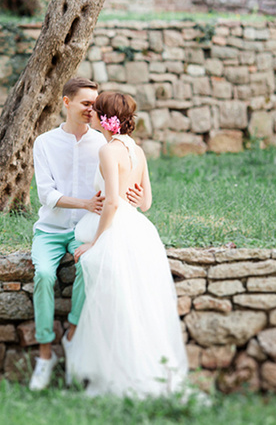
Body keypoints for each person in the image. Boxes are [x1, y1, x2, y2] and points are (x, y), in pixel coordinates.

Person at [67, 91, 189, 398]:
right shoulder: (137, 150)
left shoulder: (108, 152)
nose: (90, 114)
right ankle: (144, 369)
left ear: (105, 118)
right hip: (140, 229)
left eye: (95, 111)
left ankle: (119, 373)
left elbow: (109, 203)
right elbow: (146, 202)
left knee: (115, 305)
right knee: (138, 305)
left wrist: (94, 243)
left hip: (117, 230)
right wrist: (129, 198)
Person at [28, 77, 146, 391]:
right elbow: (46, 195)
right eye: (85, 103)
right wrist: (84, 202)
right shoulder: (44, 143)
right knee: (43, 274)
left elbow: (123, 187)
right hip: (51, 229)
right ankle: (44, 355)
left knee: (89, 267)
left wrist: (131, 197)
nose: (92, 109)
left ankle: (73, 336)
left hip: (87, 230)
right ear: (66, 102)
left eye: (95, 105)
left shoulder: (104, 144)